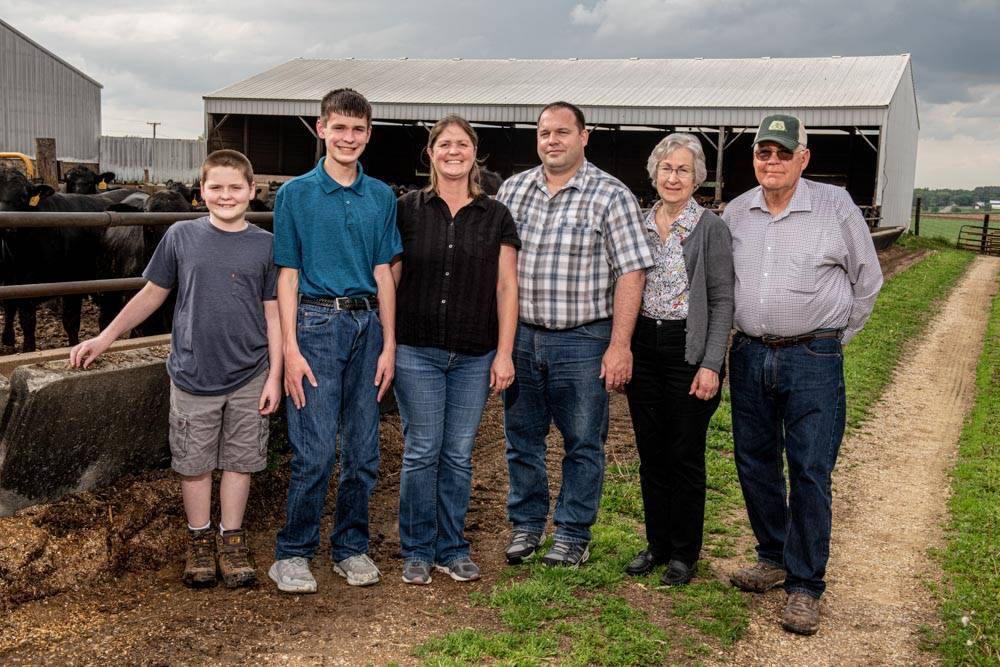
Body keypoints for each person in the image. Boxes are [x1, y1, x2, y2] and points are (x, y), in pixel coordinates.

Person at [70, 149, 282, 589]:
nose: (226, 196)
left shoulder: (265, 244)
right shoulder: (181, 236)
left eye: (235, 188)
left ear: (252, 191)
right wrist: (104, 337)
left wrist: (275, 374)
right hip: (192, 371)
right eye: (216, 188)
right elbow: (152, 294)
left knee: (241, 461)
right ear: (200, 191)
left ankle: (232, 538)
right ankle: (200, 538)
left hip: (249, 372)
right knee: (195, 462)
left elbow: (274, 313)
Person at [724, 114, 883, 635]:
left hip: (813, 355)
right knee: (755, 460)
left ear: (803, 158)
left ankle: (806, 585)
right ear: (754, 159)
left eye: (782, 153)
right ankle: (772, 556)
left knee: (811, 469)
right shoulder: (735, 212)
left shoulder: (835, 207)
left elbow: (868, 280)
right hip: (749, 354)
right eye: (763, 153)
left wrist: (833, 338)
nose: (772, 162)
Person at [497, 102, 655, 568]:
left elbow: (631, 273)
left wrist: (619, 344)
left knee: (583, 440)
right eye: (545, 132)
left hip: (583, 338)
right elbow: (498, 268)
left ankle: (572, 532)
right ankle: (526, 525)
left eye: (562, 132)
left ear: (584, 137)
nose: (552, 140)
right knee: (521, 437)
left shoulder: (611, 195)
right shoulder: (514, 190)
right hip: (523, 335)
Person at [268, 88, 402, 593]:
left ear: (369, 134)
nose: (349, 138)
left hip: (367, 325)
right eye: (339, 128)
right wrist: (289, 348)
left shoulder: (381, 196)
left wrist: (389, 343)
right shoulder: (295, 194)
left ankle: (350, 547)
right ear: (321, 129)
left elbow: (384, 272)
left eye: (358, 129)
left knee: (365, 451)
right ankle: (293, 552)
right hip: (316, 324)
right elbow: (287, 275)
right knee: (317, 450)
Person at [391, 115, 520, 585]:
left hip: (474, 353)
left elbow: (507, 287)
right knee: (423, 449)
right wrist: (387, 344)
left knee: (459, 453)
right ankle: (417, 548)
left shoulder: (496, 216)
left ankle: (451, 546)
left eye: (461, 144)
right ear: (430, 153)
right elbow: (392, 278)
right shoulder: (407, 208)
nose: (453, 151)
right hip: (416, 349)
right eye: (444, 144)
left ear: (474, 153)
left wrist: (504, 352)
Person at [623, 133, 733, 586]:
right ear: (654, 173)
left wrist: (711, 363)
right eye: (666, 168)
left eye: (683, 169)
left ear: (697, 177)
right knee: (651, 452)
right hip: (644, 345)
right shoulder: (639, 223)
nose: (673, 177)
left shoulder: (710, 228)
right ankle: (658, 543)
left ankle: (685, 553)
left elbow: (724, 299)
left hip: (689, 348)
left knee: (685, 453)